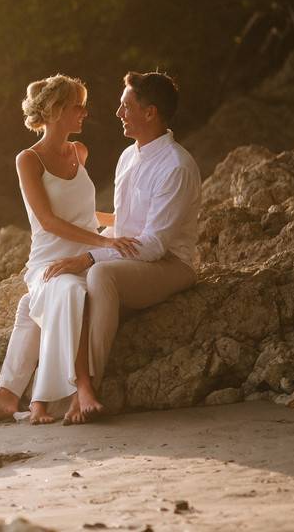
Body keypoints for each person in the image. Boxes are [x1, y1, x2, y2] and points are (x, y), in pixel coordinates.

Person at [0, 74, 141, 425]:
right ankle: (76, 389)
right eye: (76, 106)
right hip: (49, 261)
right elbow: (49, 220)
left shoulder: (79, 152)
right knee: (66, 290)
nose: (85, 112)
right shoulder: (29, 160)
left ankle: (7, 396)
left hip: (87, 256)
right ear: (54, 111)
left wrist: (124, 223)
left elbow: (83, 214)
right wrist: (105, 240)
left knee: (30, 308)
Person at [43, 71, 201, 394]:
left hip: (170, 264)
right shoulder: (128, 157)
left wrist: (89, 257)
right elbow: (123, 222)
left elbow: (154, 245)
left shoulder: (176, 167)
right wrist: (74, 235)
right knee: (63, 278)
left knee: (100, 276)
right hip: (132, 256)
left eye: (126, 106)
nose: (119, 114)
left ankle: (87, 389)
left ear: (149, 113)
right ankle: (43, 390)